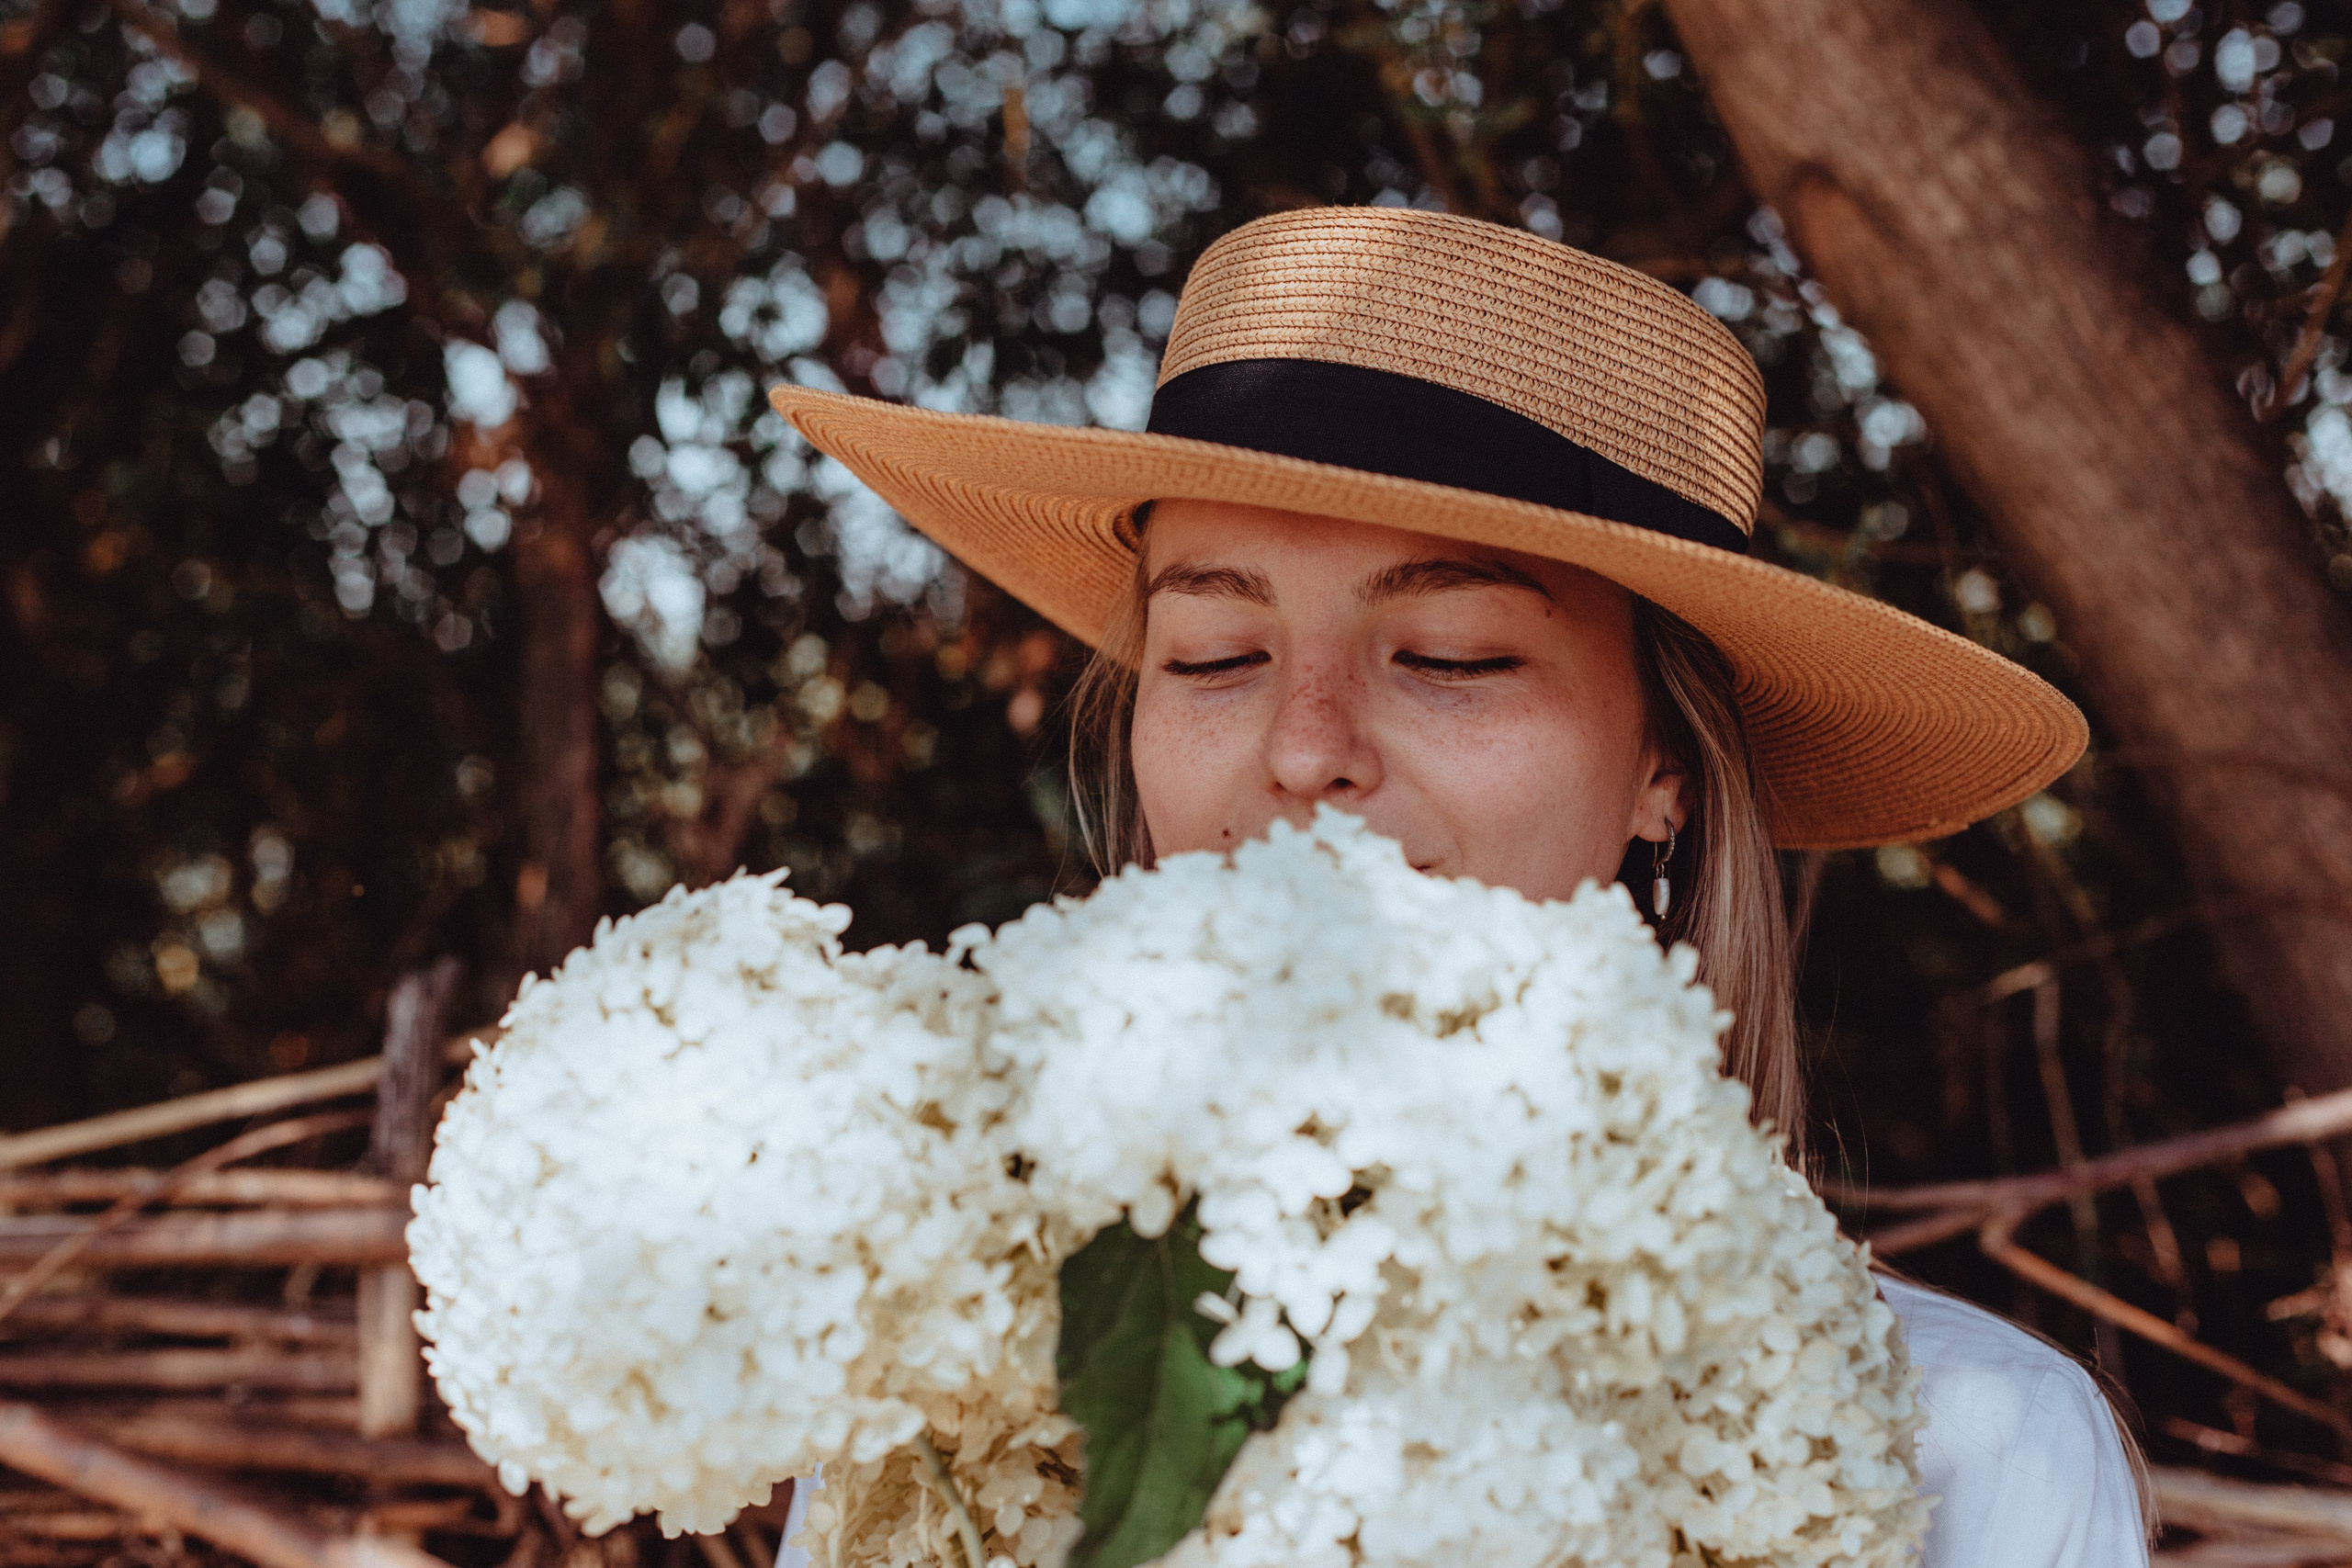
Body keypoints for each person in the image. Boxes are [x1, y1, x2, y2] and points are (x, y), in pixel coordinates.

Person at [772, 205, 2150, 1566]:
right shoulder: (933, 1394)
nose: (1305, 747)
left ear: (1663, 767)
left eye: (1450, 655)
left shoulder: (1968, 1461)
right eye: (1212, 655)